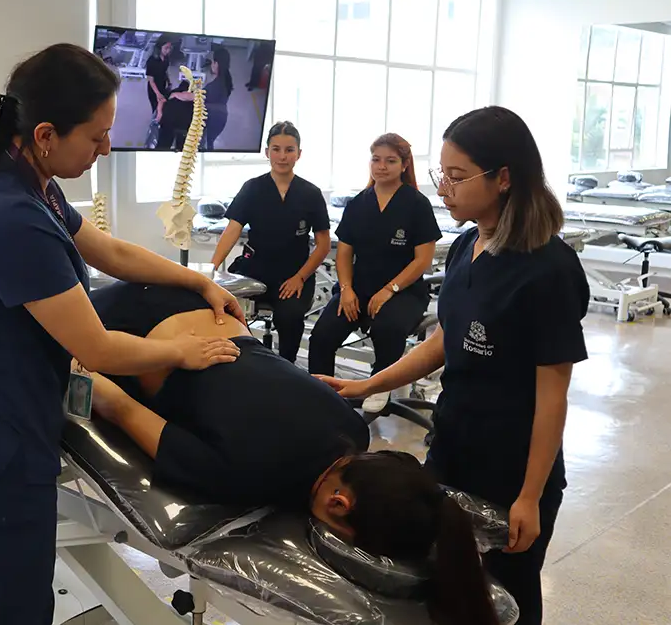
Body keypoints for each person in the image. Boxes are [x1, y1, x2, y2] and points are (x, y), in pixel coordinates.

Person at [0, 43, 245, 625]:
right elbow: (96, 347)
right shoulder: (12, 216)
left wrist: (197, 280)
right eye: (96, 136)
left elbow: (109, 250)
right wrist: (180, 352)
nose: (106, 148)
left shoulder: (29, 181)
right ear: (45, 134)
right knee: (9, 611)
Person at [84, 280, 501, 625]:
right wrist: (69, 361)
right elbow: (118, 406)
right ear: (339, 503)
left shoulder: (354, 428)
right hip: (121, 324)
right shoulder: (237, 477)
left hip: (204, 306)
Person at [317, 106, 589, 625]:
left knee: (510, 594)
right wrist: (368, 386)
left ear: (503, 178)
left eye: (457, 177)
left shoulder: (548, 269)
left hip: (512, 468)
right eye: (442, 173)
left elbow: (553, 396)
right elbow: (445, 340)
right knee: (449, 580)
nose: (444, 188)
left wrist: (529, 497)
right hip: (452, 447)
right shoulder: (467, 246)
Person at [308, 133, 442, 412]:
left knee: (387, 329)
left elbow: (422, 261)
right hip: (357, 289)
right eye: (376, 159)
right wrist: (346, 290)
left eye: (390, 161)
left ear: (404, 165)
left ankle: (377, 388)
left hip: (404, 292)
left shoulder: (416, 204)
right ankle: (321, 396)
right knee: (322, 336)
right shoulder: (359, 203)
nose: (381, 166)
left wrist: (389, 290)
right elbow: (344, 253)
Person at [210, 121, 332, 363]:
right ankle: (242, 364)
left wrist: (300, 278)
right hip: (255, 270)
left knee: (290, 316)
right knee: (223, 308)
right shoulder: (252, 188)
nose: (282, 156)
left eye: (289, 150)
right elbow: (232, 231)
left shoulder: (311, 193)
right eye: (276, 149)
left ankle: (286, 368)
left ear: (299, 153)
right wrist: (210, 270)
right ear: (267, 152)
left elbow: (323, 244)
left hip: (294, 274)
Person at [145, 34, 175, 116]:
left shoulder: (166, 58)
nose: (168, 50)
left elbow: (165, 71)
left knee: (163, 106)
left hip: (163, 84)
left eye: (169, 48)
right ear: (159, 47)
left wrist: (169, 82)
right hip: (154, 89)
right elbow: (151, 81)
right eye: (166, 48)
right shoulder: (152, 61)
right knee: (156, 108)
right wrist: (158, 94)